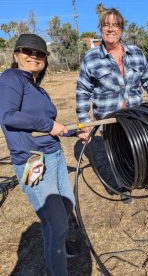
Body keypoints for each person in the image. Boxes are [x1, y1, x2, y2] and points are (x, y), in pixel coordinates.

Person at [0, 34, 84, 275]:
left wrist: (74, 132)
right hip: (31, 161)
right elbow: (6, 116)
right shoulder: (11, 78)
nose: (34, 56)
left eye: (40, 53)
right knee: (57, 225)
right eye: (28, 51)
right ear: (16, 55)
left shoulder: (37, 88)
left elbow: (49, 124)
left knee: (66, 207)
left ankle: (56, 247)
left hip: (54, 156)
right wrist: (48, 126)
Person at [76, 8, 148, 201]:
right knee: (116, 155)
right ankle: (123, 186)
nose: (110, 29)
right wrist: (84, 124)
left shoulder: (136, 53)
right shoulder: (91, 59)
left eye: (115, 25)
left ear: (122, 30)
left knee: (145, 149)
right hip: (109, 120)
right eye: (106, 24)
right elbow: (83, 92)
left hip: (136, 116)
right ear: (100, 28)